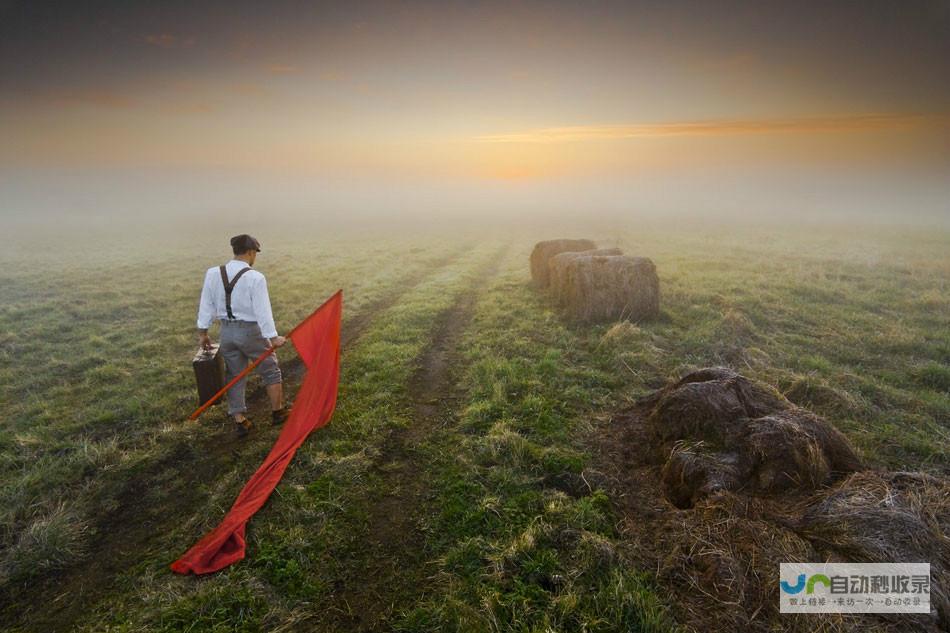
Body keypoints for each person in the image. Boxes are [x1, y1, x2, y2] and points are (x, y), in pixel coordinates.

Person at [196, 234, 289, 436]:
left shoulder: (213, 273)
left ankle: (240, 421)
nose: (255, 256)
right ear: (249, 252)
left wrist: (203, 332)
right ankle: (278, 412)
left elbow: (206, 304)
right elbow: (263, 311)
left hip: (226, 332)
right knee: (271, 370)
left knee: (235, 375)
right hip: (251, 332)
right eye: (255, 252)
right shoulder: (255, 277)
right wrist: (273, 338)